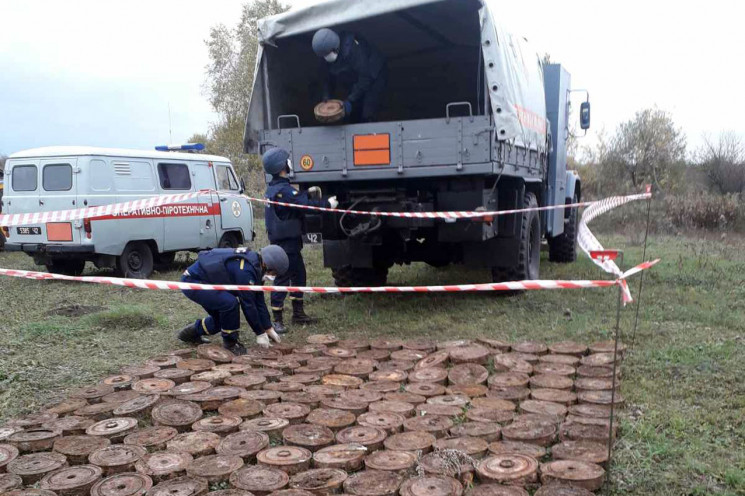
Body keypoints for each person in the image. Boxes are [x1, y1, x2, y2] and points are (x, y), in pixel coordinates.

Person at [263, 147, 338, 334]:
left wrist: (306, 193)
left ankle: (298, 313)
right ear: (282, 167)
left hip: (286, 242)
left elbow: (295, 201)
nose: (289, 163)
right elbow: (302, 205)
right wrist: (326, 204)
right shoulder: (284, 191)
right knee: (283, 278)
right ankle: (277, 320)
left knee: (299, 275)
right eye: (287, 161)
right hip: (286, 244)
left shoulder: (274, 188)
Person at [177, 245, 289, 353]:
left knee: (223, 321)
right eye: (273, 273)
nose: (273, 276)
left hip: (209, 281)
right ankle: (230, 343)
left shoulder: (256, 267)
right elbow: (248, 304)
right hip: (193, 282)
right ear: (266, 264)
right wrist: (259, 333)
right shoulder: (246, 271)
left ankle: (189, 334)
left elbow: (259, 300)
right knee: (230, 304)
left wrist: (268, 327)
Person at [312, 28, 387, 123]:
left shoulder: (353, 49)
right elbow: (326, 77)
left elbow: (365, 78)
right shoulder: (324, 52)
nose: (325, 58)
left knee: (368, 108)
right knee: (354, 109)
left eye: (327, 54)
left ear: (336, 48)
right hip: (355, 76)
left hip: (374, 73)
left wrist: (350, 100)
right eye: (323, 56)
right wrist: (326, 96)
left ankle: (368, 123)